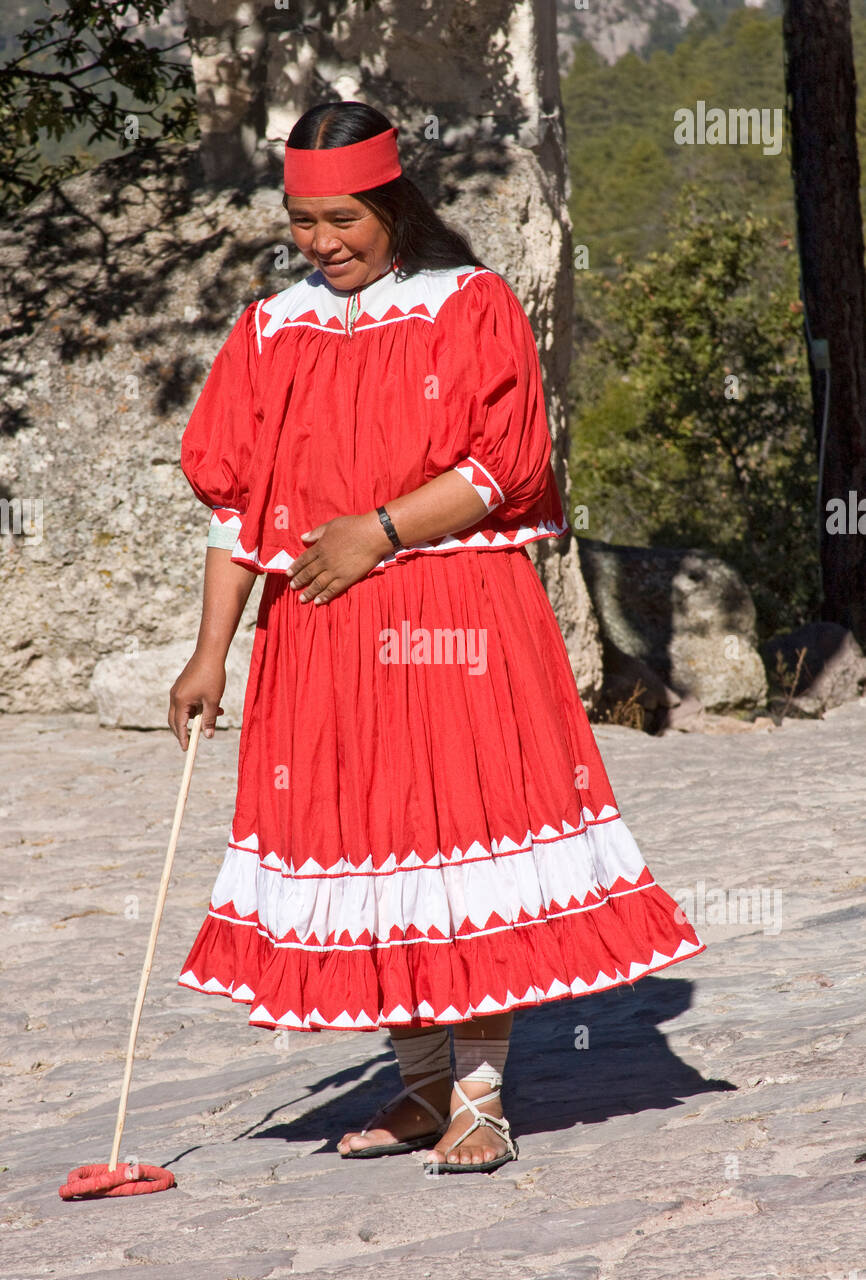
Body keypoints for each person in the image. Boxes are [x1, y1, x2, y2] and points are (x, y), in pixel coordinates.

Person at [168, 100, 706, 1175]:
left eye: (339, 219)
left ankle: (479, 1101)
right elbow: (241, 509)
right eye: (300, 221)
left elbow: (498, 466)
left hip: (449, 614)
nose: (318, 242)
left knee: (456, 840)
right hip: (316, 629)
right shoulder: (272, 328)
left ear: (391, 205)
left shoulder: (469, 305)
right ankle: (417, 1089)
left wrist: (372, 532)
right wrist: (208, 652)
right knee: (370, 845)